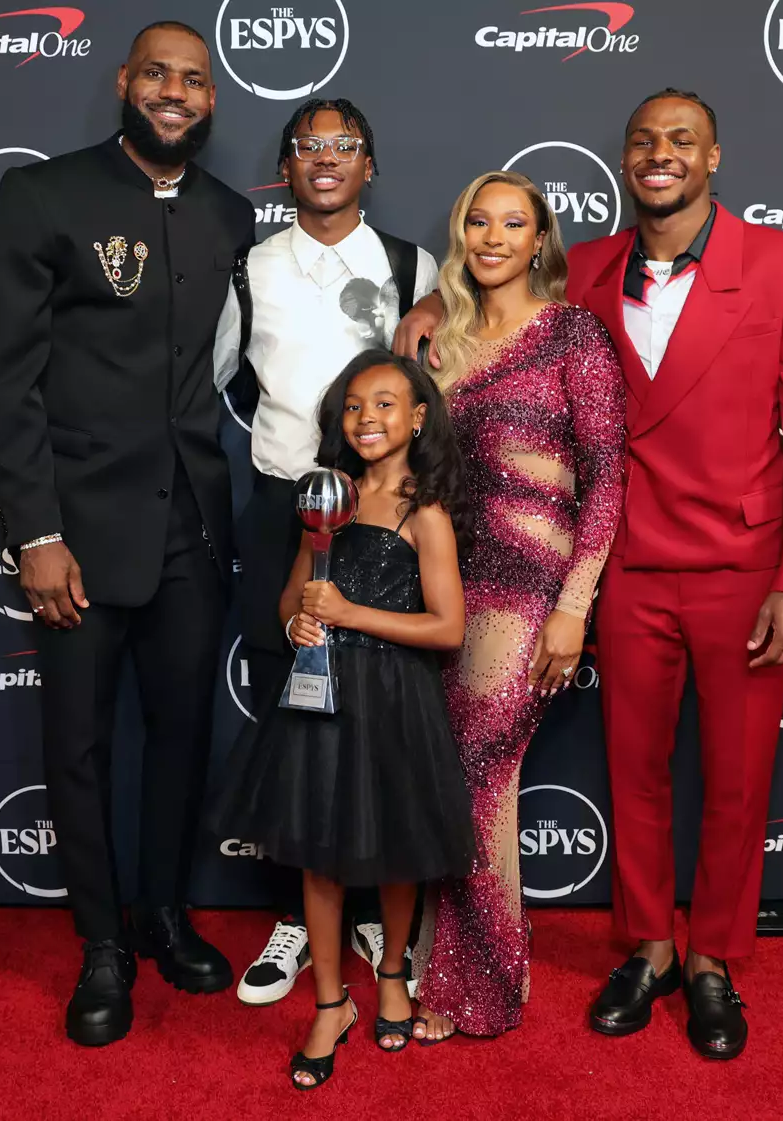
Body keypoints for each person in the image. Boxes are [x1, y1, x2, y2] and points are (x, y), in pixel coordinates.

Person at [395, 91, 783, 1058]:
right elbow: (499, 290)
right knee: (635, 773)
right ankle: (647, 947)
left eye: (681, 140)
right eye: (644, 140)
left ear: (714, 155)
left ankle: (713, 962)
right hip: (627, 568)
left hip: (743, 565)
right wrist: (436, 300)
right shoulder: (588, 268)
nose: (660, 155)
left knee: (735, 780)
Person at [0, 21, 254, 1046]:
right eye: (159, 75)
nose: (176, 92)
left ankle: (165, 912)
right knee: (81, 745)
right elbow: (5, 383)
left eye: (195, 79)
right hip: (78, 533)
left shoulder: (231, 214)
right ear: (125, 83)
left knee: (181, 737)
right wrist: (35, 530)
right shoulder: (43, 196)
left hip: (191, 524)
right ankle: (101, 945)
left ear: (210, 101)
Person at [212, 99, 439, 1006]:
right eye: (309, 147)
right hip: (284, 506)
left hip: (380, 513)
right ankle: (300, 923)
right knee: (290, 710)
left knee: (380, 711)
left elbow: (435, 372)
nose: (327, 159)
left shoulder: (408, 264)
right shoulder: (251, 267)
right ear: (286, 165)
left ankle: (375, 918)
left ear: (370, 164)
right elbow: (216, 379)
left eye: (345, 146)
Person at [207, 350, 477, 1089]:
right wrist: (298, 622)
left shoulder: (425, 511)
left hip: (395, 700)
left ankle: (392, 973)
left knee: (397, 847)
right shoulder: (327, 499)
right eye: (354, 406)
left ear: (418, 418)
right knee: (318, 856)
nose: (368, 419)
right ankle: (330, 1002)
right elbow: (291, 600)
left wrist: (354, 614)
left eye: (387, 404)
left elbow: (449, 627)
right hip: (320, 700)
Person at [408, 172, 626, 1043]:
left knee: (478, 775)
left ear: (540, 240)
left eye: (513, 224)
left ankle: (481, 987)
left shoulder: (573, 331)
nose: (493, 238)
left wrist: (576, 604)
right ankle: (457, 966)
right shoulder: (442, 343)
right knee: (455, 778)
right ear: (461, 235)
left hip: (533, 593)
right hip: (449, 591)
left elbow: (608, 475)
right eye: (477, 223)